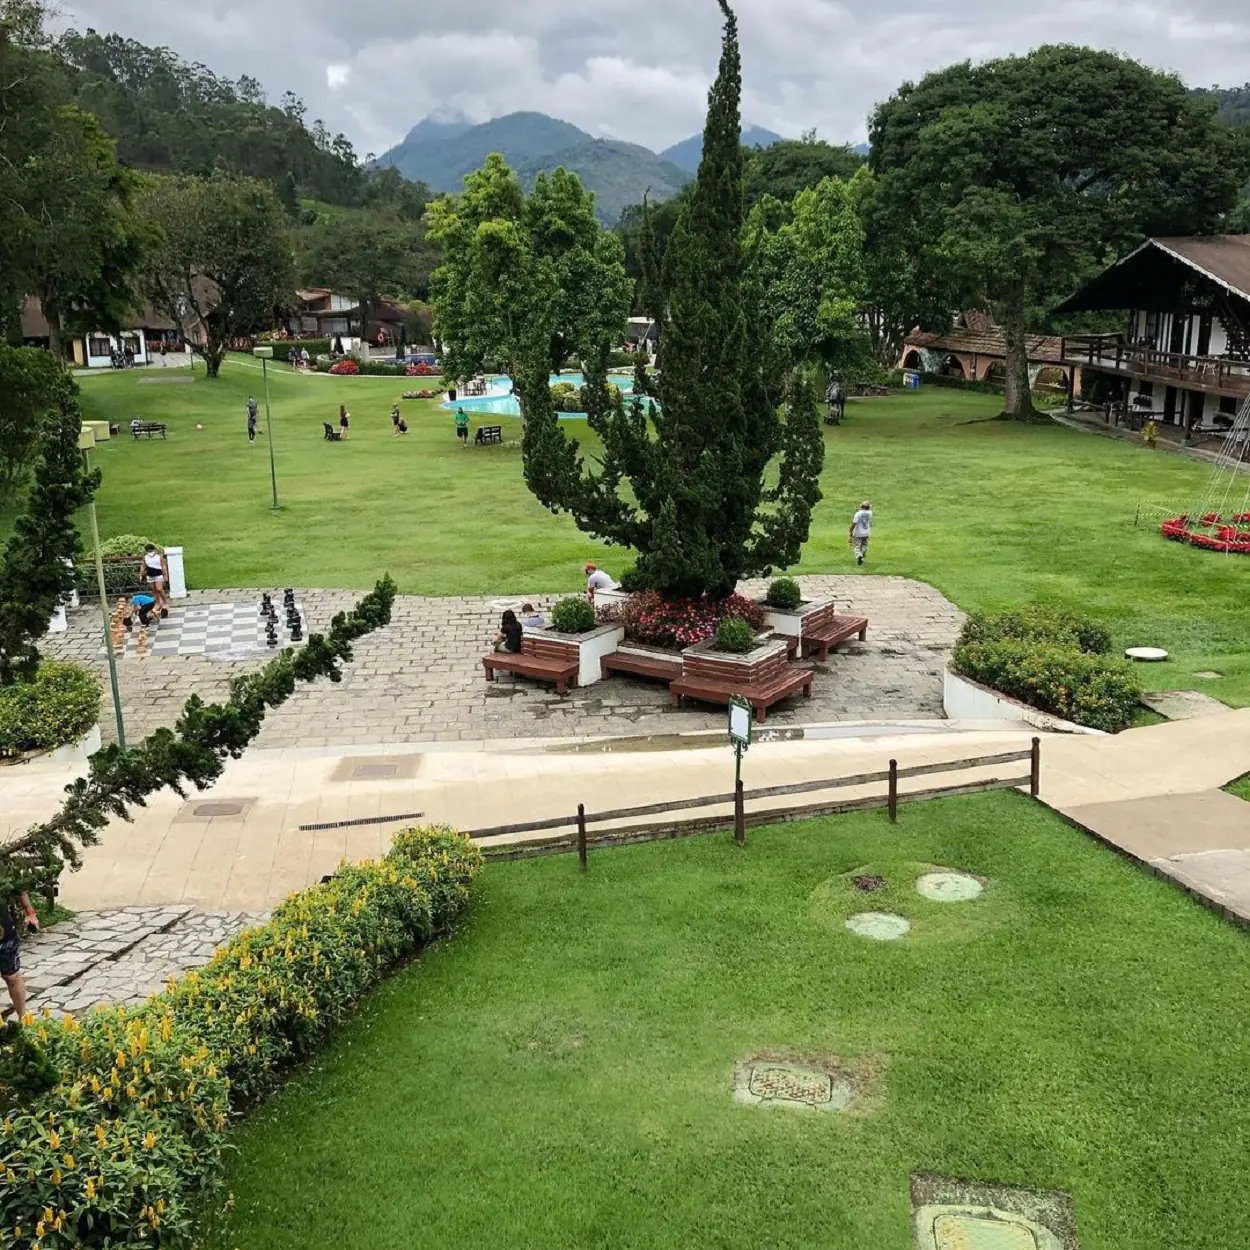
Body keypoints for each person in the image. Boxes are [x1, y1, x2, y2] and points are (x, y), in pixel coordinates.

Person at [1, 897, 27, 1021]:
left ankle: (24, 1020)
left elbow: (21, 887)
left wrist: (30, 911)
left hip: (5, 938)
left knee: (12, 978)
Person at [140, 544, 169, 615]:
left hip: (158, 575)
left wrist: (165, 575)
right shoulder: (145, 557)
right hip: (150, 575)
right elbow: (143, 566)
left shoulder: (159, 557)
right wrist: (141, 575)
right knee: (154, 589)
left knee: (159, 588)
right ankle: (158, 602)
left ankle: (165, 602)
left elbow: (163, 566)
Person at [849, 501, 873, 566]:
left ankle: (859, 556)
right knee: (864, 545)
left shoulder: (858, 514)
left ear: (861, 506)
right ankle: (862, 556)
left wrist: (850, 531)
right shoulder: (870, 513)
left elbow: (854, 523)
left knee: (856, 546)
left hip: (857, 532)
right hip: (866, 532)